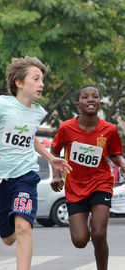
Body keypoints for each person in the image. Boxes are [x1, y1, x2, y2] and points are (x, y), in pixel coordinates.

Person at [0, 56, 71, 270]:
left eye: (42, 79)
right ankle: (9, 228)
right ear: (19, 83)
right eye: (36, 79)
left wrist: (50, 158)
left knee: (24, 227)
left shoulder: (38, 112)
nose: (41, 84)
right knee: (8, 238)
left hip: (25, 177)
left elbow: (30, 137)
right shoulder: (1, 104)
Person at [50, 84, 125, 270]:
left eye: (95, 96)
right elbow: (54, 151)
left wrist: (122, 164)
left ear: (100, 103)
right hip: (75, 187)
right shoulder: (66, 128)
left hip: (101, 183)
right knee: (80, 240)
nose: (90, 99)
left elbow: (115, 154)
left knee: (99, 235)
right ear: (78, 104)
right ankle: (90, 225)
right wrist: (56, 175)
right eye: (85, 97)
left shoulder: (110, 129)